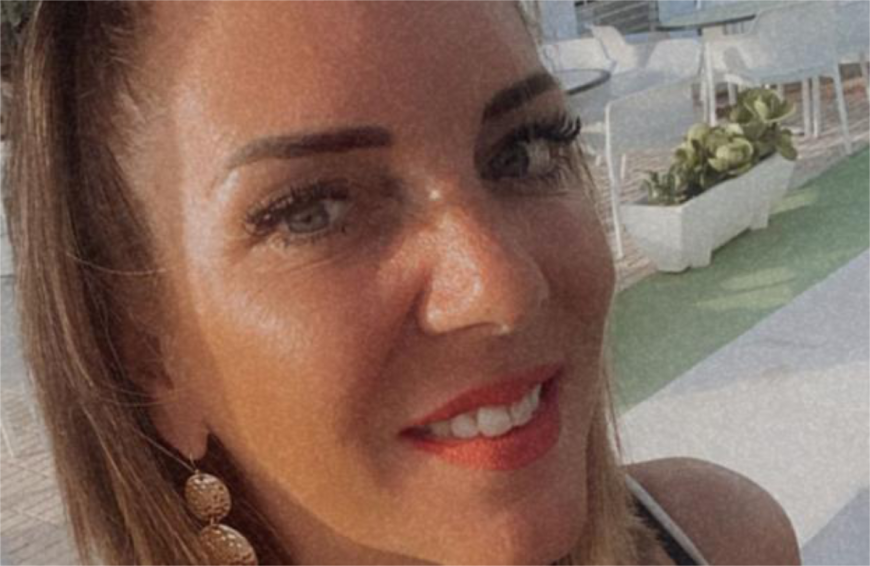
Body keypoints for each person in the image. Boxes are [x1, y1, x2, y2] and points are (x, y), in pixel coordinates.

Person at [3, 1, 801, 565]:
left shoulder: (724, 540)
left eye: (523, 151)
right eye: (313, 211)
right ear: (145, 354)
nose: (499, 284)